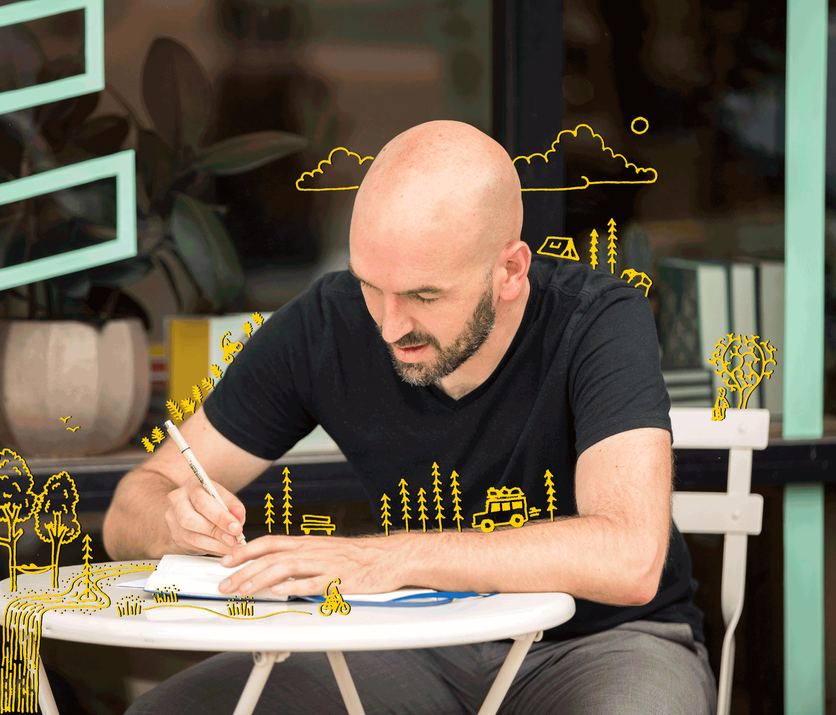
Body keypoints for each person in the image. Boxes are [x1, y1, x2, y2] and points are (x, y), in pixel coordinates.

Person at [104, 120, 717, 714]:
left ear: (509, 271)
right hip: (414, 642)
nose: (390, 326)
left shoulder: (597, 322)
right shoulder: (329, 321)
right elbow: (132, 505)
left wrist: (381, 560)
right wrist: (173, 519)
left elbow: (630, 558)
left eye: (425, 296)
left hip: (600, 646)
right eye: (372, 284)